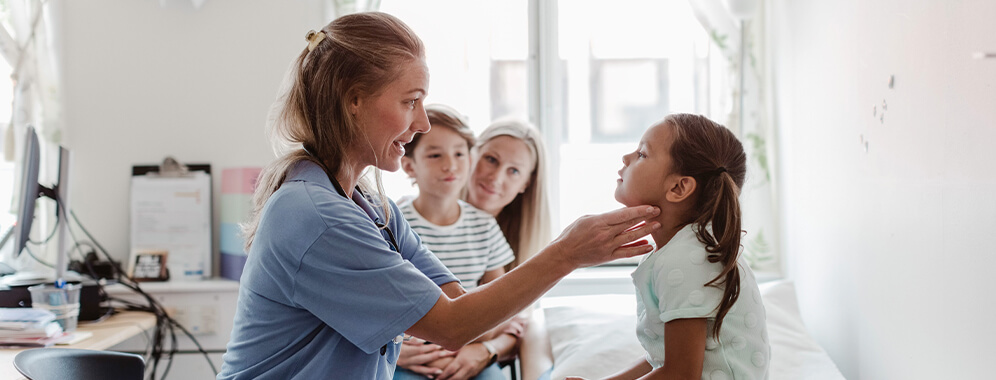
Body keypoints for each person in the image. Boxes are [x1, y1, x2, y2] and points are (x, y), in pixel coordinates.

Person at [216, 12, 661, 380]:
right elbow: (452, 327)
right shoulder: (316, 216)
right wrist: (567, 253)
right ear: (353, 101)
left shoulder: (371, 206)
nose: (424, 122)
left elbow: (459, 304)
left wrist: (491, 345)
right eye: (411, 101)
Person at [570, 114, 770, 380]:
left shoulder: (687, 260)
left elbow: (680, 374)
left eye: (642, 154)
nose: (626, 158)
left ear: (678, 187)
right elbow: (661, 359)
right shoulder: (686, 250)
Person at [394, 104, 516, 380]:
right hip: (410, 360)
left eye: (460, 154)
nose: (450, 165)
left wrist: (476, 344)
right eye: (435, 155)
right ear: (409, 165)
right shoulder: (394, 221)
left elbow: (501, 300)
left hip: (467, 354)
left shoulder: (484, 226)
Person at [465, 118, 552, 269]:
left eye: (514, 171)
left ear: (526, 184)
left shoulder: (521, 247)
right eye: (491, 160)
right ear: (472, 155)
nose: (496, 178)